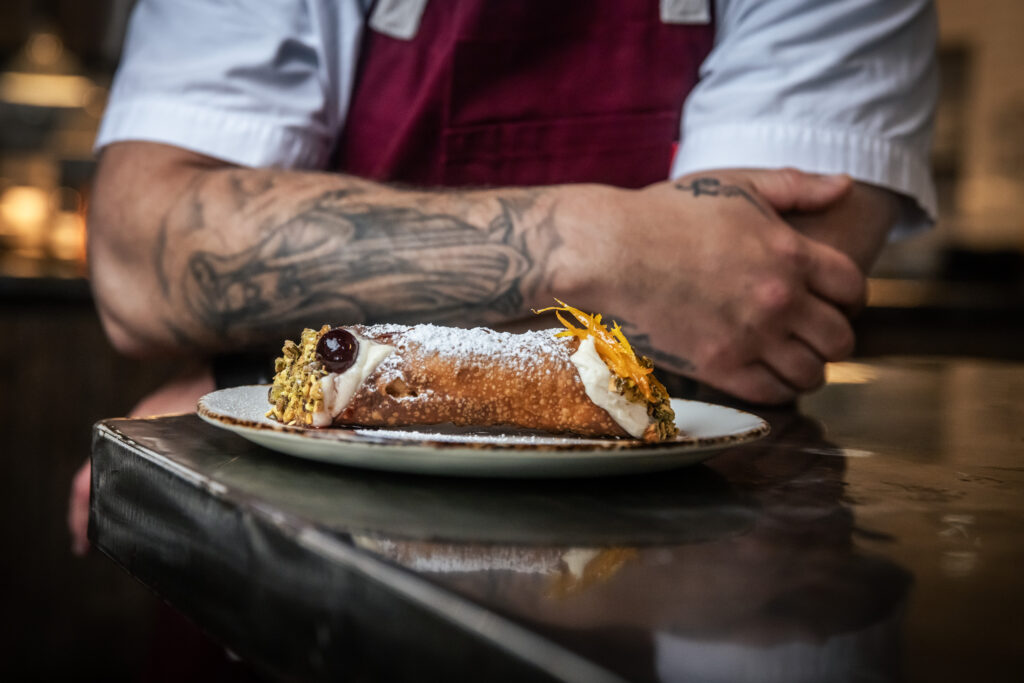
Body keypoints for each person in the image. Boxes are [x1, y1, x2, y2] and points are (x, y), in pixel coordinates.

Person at [70, 0, 937, 551]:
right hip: (281, 569)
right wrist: (600, 245)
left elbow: (745, 312)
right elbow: (136, 258)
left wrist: (270, 376)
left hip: (673, 563)